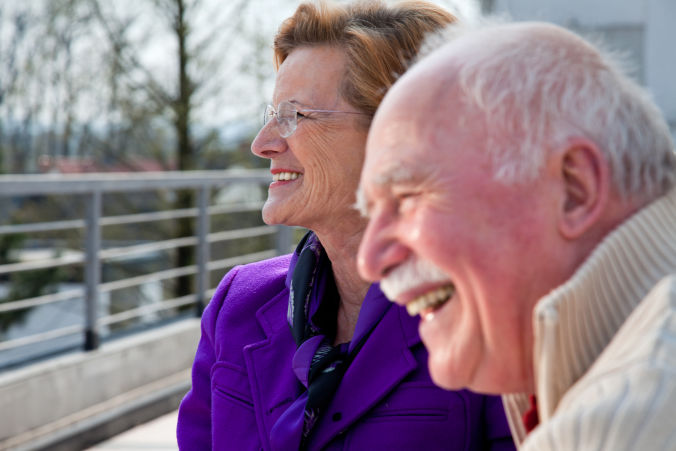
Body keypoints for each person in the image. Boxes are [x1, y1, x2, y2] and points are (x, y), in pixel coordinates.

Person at [177, 1, 514, 450]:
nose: (263, 144)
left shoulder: (499, 321)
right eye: (272, 115)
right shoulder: (239, 307)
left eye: (294, 116)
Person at [356, 19, 676, 450]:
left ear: (575, 190)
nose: (370, 261)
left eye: (408, 196)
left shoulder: (619, 427)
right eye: (371, 212)